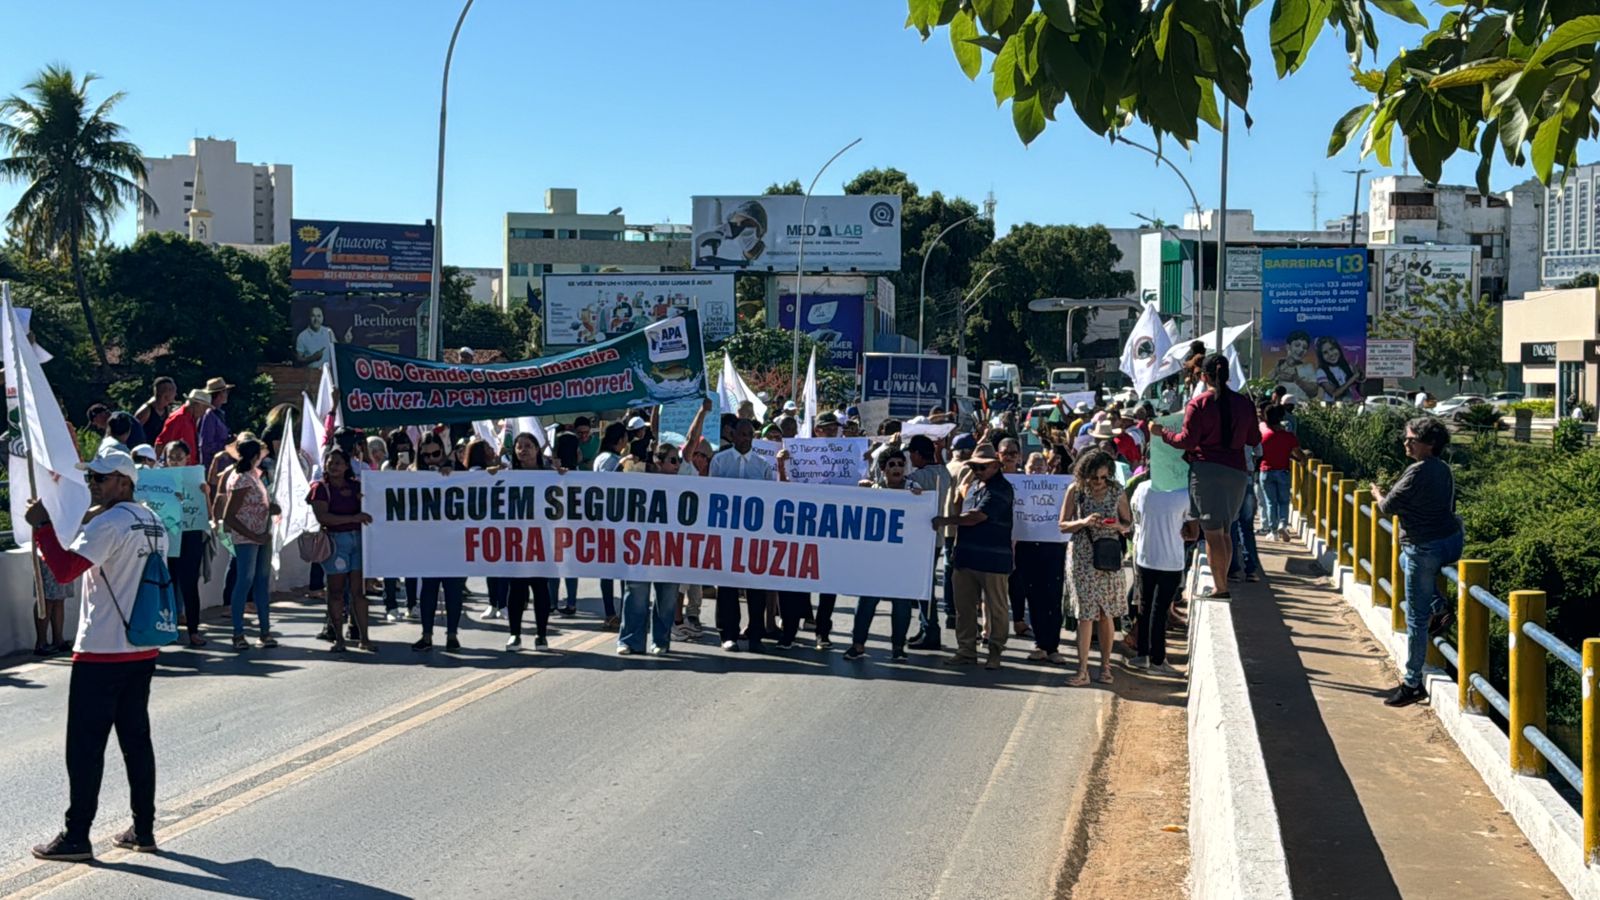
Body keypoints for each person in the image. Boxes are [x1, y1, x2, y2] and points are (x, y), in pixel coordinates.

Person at [25, 450, 169, 862]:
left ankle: (77, 836)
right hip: (141, 646)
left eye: (103, 478)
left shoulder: (109, 522)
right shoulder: (153, 520)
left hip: (102, 648)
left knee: (85, 748)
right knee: (136, 741)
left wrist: (43, 528)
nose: (95, 484)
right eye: (93, 478)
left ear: (124, 482)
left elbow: (66, 569)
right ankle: (143, 829)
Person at [1371, 416, 1464, 708]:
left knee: (1416, 619)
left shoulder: (1416, 472)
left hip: (1423, 548)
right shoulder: (1444, 469)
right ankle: (1439, 606)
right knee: (1402, 559)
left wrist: (1377, 493)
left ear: (1429, 444)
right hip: (1451, 542)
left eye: (1411, 439)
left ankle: (1412, 683)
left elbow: (1387, 507)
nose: (1406, 443)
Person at [1151, 353, 1260, 600]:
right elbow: (1254, 439)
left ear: (1204, 376)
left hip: (1207, 471)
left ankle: (1221, 588)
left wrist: (1162, 433)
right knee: (1225, 530)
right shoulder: (1244, 403)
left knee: (1212, 533)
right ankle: (1222, 583)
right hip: (1237, 472)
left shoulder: (1198, 404)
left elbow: (1187, 441)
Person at [933, 442, 1014, 671]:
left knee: (996, 608)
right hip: (967, 555)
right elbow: (961, 509)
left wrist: (945, 521)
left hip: (993, 559)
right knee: (964, 607)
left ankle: (995, 651)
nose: (978, 471)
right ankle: (966, 650)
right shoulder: (974, 485)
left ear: (996, 466)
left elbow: (976, 517)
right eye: (975, 467)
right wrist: (963, 492)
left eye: (983, 467)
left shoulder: (1002, 489)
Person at [1060, 448, 1132, 686]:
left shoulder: (1116, 491)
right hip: (1082, 556)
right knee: (1085, 614)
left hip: (1108, 556)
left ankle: (1106, 667)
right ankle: (1082, 670)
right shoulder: (1076, 491)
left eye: (1103, 477)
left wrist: (1116, 526)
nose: (1100, 482)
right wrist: (1084, 521)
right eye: (1095, 478)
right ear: (1085, 474)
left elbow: (1127, 523)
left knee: (1106, 613)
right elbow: (1063, 525)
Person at [843, 449, 921, 661]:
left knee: (902, 604)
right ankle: (857, 645)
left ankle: (898, 647)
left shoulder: (914, 490)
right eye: (892, 465)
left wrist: (920, 499)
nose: (897, 468)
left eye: (900, 464)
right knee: (867, 602)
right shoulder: (874, 490)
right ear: (883, 469)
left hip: (902, 560)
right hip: (876, 561)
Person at [708, 418, 773, 652]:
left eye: (750, 435)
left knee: (755, 586)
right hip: (727, 535)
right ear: (733, 435)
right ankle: (728, 634)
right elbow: (711, 495)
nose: (746, 439)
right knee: (727, 586)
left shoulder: (762, 465)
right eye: (743, 434)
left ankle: (755, 633)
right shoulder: (719, 461)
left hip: (754, 537)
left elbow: (770, 501)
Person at [309, 447, 373, 652]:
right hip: (336, 543)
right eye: (330, 462)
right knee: (336, 592)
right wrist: (353, 518)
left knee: (359, 592)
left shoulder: (357, 487)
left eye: (338, 462)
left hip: (357, 541)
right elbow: (324, 517)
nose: (333, 466)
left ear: (347, 466)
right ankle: (339, 638)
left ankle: (364, 637)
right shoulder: (320, 488)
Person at [1129, 480, 1196, 676]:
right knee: (1159, 611)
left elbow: (1137, 518)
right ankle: (1158, 660)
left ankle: (1143, 654)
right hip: (1170, 560)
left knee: (1145, 606)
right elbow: (1193, 533)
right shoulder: (1184, 493)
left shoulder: (1142, 488)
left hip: (1144, 555)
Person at [412, 438, 466, 653]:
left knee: (453, 589)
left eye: (435, 454)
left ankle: (452, 634)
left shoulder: (458, 470)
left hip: (453, 541)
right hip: (428, 542)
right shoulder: (413, 473)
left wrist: (452, 473)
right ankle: (426, 635)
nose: (431, 460)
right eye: (426, 456)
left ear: (443, 452)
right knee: (429, 589)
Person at [504, 432, 557, 651]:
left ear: (537, 449)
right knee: (516, 588)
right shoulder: (507, 475)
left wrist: (562, 475)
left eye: (528, 445)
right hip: (517, 541)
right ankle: (515, 634)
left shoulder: (550, 474)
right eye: (519, 446)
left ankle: (541, 635)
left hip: (542, 539)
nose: (523, 450)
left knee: (540, 587)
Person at [222, 438, 277, 651]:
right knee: (244, 582)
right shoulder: (241, 479)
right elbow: (230, 516)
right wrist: (253, 535)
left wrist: (270, 509)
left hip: (261, 535)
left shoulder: (254, 476)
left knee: (262, 582)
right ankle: (238, 633)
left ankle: (265, 631)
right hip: (248, 538)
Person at [906, 434, 952, 650]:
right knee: (925, 585)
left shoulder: (920, 477)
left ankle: (931, 631)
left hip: (923, 537)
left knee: (924, 587)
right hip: (937, 537)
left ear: (916, 453)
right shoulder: (942, 472)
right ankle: (926, 627)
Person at [160, 440, 208, 648]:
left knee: (189, 585)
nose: (175, 461)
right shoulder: (158, 479)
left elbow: (206, 511)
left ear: (188, 458)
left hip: (190, 534)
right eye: (171, 457)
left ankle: (194, 630)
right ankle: (166, 628)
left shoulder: (195, 478)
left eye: (179, 457)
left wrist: (204, 493)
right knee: (167, 584)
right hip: (167, 536)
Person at [1257, 404, 1303, 541]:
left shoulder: (1263, 436)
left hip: (1265, 471)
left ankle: (1273, 531)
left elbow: (1257, 453)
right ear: (1281, 417)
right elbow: (1297, 453)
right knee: (1283, 501)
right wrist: (1304, 460)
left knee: (1270, 502)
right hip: (1283, 471)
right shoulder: (1288, 436)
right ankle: (1283, 524)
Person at [154, 389, 209, 459]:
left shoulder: (191, 419)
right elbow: (161, 444)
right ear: (196, 404)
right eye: (204, 408)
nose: (204, 413)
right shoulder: (178, 418)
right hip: (177, 468)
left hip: (189, 467)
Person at [197, 377, 234, 471]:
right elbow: (206, 446)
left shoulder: (219, 413)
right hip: (212, 466)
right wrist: (227, 444)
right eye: (225, 391)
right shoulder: (209, 415)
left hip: (221, 464)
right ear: (219, 394)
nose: (227, 394)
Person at [1314, 336, 1364, 403]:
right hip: (1331, 408)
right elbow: (1334, 394)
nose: (1331, 354)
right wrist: (1353, 378)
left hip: (1349, 406)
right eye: (1325, 352)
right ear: (1321, 356)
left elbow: (1361, 391)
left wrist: (1361, 376)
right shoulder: (1321, 372)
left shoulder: (1347, 366)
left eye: (1332, 349)